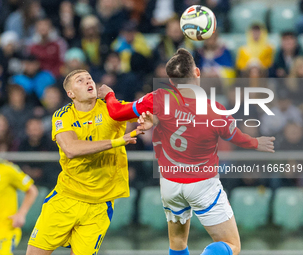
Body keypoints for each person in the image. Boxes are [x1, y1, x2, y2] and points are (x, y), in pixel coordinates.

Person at [98, 48, 275, 255]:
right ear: (197, 73)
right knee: (232, 245)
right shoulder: (214, 109)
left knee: (178, 242)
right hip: (202, 184)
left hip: (170, 184)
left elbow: (117, 112)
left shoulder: (159, 98)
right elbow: (235, 137)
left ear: (172, 82)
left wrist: (109, 95)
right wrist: (255, 142)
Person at [26, 69, 141, 255]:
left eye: (90, 78)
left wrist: (149, 120)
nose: (89, 82)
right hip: (66, 199)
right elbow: (71, 149)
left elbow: (147, 112)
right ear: (70, 93)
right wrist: (117, 142)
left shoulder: (113, 108)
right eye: (80, 80)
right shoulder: (63, 115)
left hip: (99, 205)